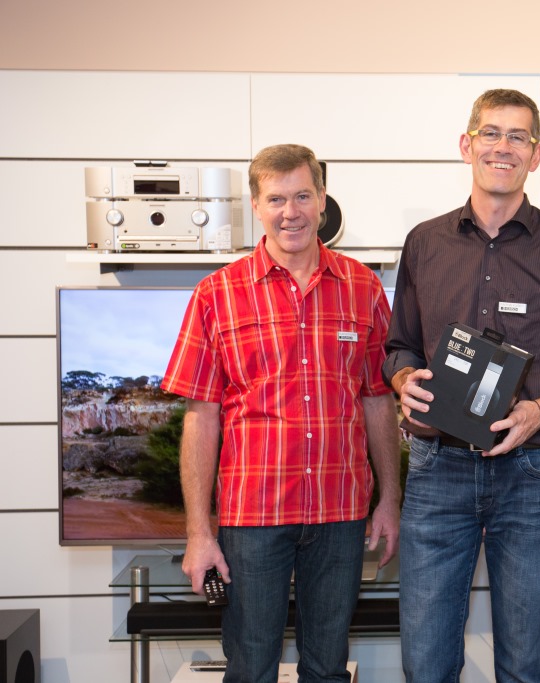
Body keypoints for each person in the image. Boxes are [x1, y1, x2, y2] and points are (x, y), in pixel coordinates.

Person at [383, 89, 540, 683]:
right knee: (425, 663)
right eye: (491, 133)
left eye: (518, 137)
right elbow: (400, 346)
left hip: (532, 474)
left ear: (536, 155)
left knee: (521, 662)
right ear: (466, 145)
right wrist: (403, 378)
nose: (503, 147)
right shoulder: (424, 242)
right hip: (437, 468)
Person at [161, 144, 400, 683]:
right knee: (250, 668)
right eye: (275, 199)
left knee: (328, 668)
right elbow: (201, 418)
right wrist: (198, 531)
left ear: (322, 200)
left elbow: (377, 399)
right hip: (252, 517)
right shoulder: (216, 294)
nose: (290, 212)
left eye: (302, 196)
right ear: (255, 205)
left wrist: (390, 498)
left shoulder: (363, 288)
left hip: (341, 512)